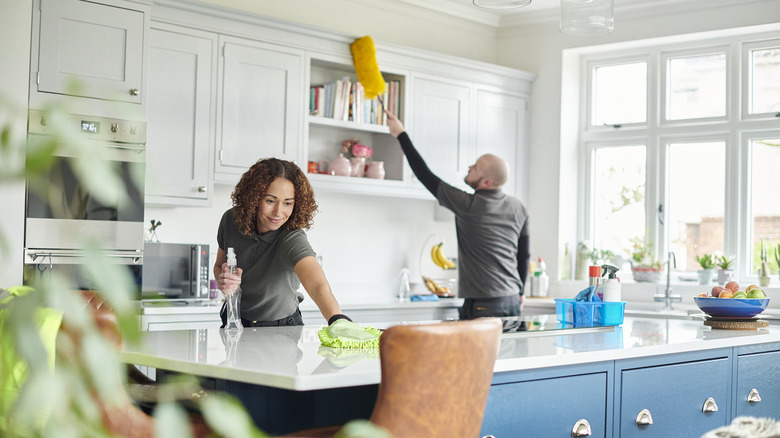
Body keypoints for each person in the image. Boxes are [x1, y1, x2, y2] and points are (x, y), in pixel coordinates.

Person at [386, 112, 530, 320]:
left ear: (486, 182)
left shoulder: (470, 205)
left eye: (476, 168)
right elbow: (524, 255)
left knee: (476, 354)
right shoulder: (519, 207)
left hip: (484, 304)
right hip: (512, 300)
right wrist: (522, 291)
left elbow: (424, 174)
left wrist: (401, 133)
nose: (469, 167)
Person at [214, 158, 349, 327]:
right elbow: (219, 265)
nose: (278, 212)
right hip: (235, 322)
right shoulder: (231, 220)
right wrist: (224, 280)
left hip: (281, 327)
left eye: (287, 203)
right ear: (254, 198)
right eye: (270, 201)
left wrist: (337, 319)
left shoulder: (291, 237)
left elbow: (318, 285)